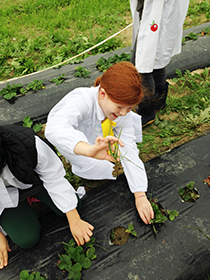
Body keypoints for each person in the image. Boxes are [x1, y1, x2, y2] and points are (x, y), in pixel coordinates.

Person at [45, 61, 154, 240]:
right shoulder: (82, 100)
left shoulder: (121, 112)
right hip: (81, 146)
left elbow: (129, 148)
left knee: (119, 163)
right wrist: (88, 150)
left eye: (130, 108)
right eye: (120, 107)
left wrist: (140, 194)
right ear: (102, 93)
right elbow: (54, 129)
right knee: (93, 168)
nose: (124, 113)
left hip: (98, 142)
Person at [0, 124, 120, 269]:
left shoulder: (27, 145)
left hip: (34, 182)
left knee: (74, 205)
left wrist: (74, 218)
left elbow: (53, 177)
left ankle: (34, 197)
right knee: (27, 239)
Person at [130, 0, 190, 126]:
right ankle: (159, 102)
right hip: (158, 9)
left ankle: (146, 111)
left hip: (158, 9)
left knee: (142, 62)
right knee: (156, 55)